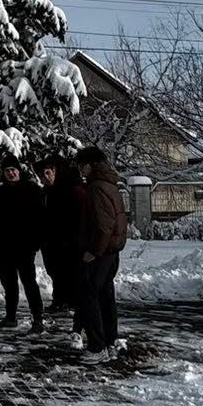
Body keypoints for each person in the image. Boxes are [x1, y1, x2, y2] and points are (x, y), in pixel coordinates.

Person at [75, 146, 129, 358]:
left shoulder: (96, 187)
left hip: (101, 251)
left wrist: (94, 251)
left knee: (89, 295)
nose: (81, 170)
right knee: (106, 295)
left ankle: (96, 346)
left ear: (92, 164)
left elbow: (103, 224)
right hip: (111, 250)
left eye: (82, 165)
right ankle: (109, 340)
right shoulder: (109, 184)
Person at [0, 162, 46, 331]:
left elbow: (40, 217)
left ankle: (37, 318)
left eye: (13, 170)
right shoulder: (0, 192)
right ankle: (10, 316)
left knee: (29, 282)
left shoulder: (32, 189)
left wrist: (36, 241)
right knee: (9, 283)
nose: (10, 173)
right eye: (7, 170)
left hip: (25, 245)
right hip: (3, 246)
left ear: (19, 171)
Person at [40, 156, 85, 314]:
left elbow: (77, 217)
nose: (46, 177)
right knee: (55, 271)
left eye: (49, 172)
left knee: (67, 272)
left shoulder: (71, 190)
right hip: (51, 240)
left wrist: (72, 239)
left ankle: (70, 301)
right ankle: (59, 300)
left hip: (68, 240)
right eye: (44, 173)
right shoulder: (47, 190)